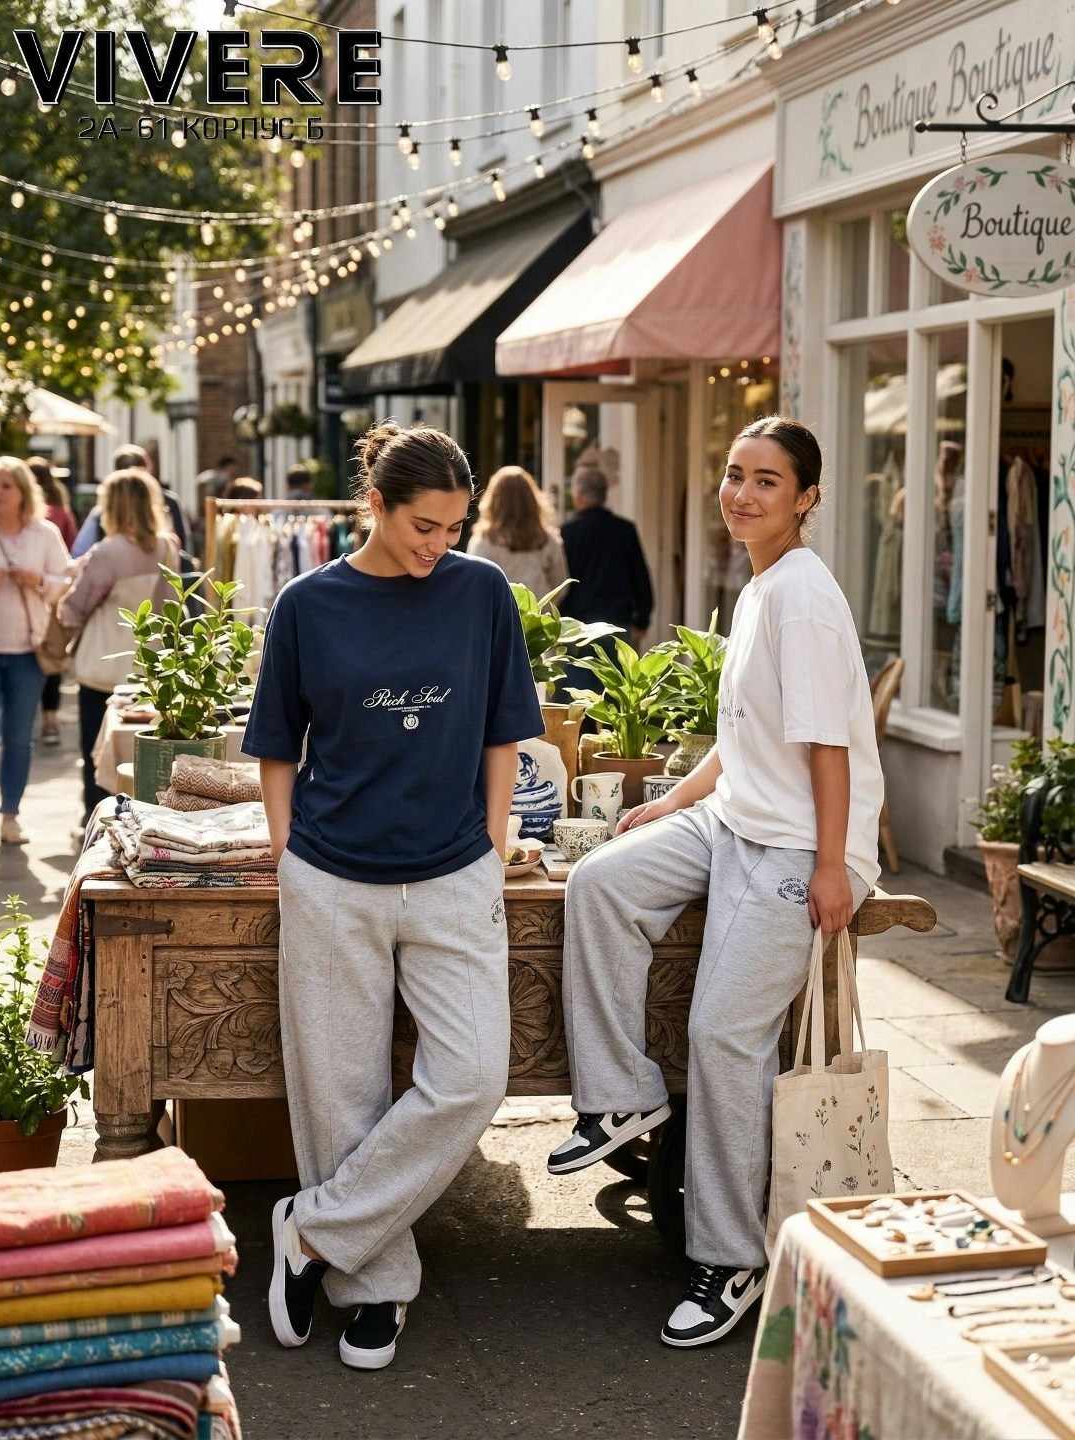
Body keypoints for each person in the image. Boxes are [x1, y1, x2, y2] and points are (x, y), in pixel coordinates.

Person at [546, 417, 884, 1348]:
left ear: (807, 496)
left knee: (723, 1034)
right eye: (735, 475)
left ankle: (731, 1259)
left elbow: (825, 749)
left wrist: (830, 864)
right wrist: (672, 802)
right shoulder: (760, 584)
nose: (743, 494)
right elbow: (745, 742)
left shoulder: (805, 598)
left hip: (795, 845)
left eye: (767, 481)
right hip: (733, 817)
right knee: (601, 882)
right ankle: (621, 1094)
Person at [243, 421, 542, 1372]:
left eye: (454, 527)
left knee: (472, 1077)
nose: (439, 545)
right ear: (373, 505)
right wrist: (289, 851)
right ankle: (373, 1284)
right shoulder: (309, 602)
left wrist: (493, 845)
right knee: (341, 1092)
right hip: (332, 874)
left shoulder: (481, 591)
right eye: (423, 525)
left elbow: (504, 728)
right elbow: (277, 743)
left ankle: (314, 1232)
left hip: (454, 870)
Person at [58, 469, 179, 825]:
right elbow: (171, 604)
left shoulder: (107, 551)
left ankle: (97, 820)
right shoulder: (167, 545)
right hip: (148, 662)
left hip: (102, 662)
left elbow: (74, 608)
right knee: (140, 750)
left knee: (96, 751)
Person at [0, 457, 72, 845]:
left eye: (5, 485)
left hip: (28, 651)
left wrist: (38, 580)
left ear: (23, 490)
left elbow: (66, 578)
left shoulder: (43, 533)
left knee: (18, 737)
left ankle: (10, 815)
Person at [560, 465, 653, 641]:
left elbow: (562, 583)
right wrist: (642, 620)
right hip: (619, 624)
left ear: (577, 496)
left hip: (578, 628)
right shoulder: (625, 530)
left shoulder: (568, 533)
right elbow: (641, 578)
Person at [27, 456, 78, 746]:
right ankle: (49, 720)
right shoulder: (61, 510)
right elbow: (71, 551)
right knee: (52, 658)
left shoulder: (39, 519)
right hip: (53, 597)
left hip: (37, 592)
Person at [72, 443, 191, 563]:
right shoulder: (169, 505)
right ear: (148, 469)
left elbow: (79, 552)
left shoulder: (102, 512)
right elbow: (185, 547)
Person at [467, 465, 569, 595]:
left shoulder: (483, 541)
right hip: (539, 613)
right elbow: (560, 586)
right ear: (531, 499)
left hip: (498, 613)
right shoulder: (547, 540)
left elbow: (475, 584)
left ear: (494, 500)